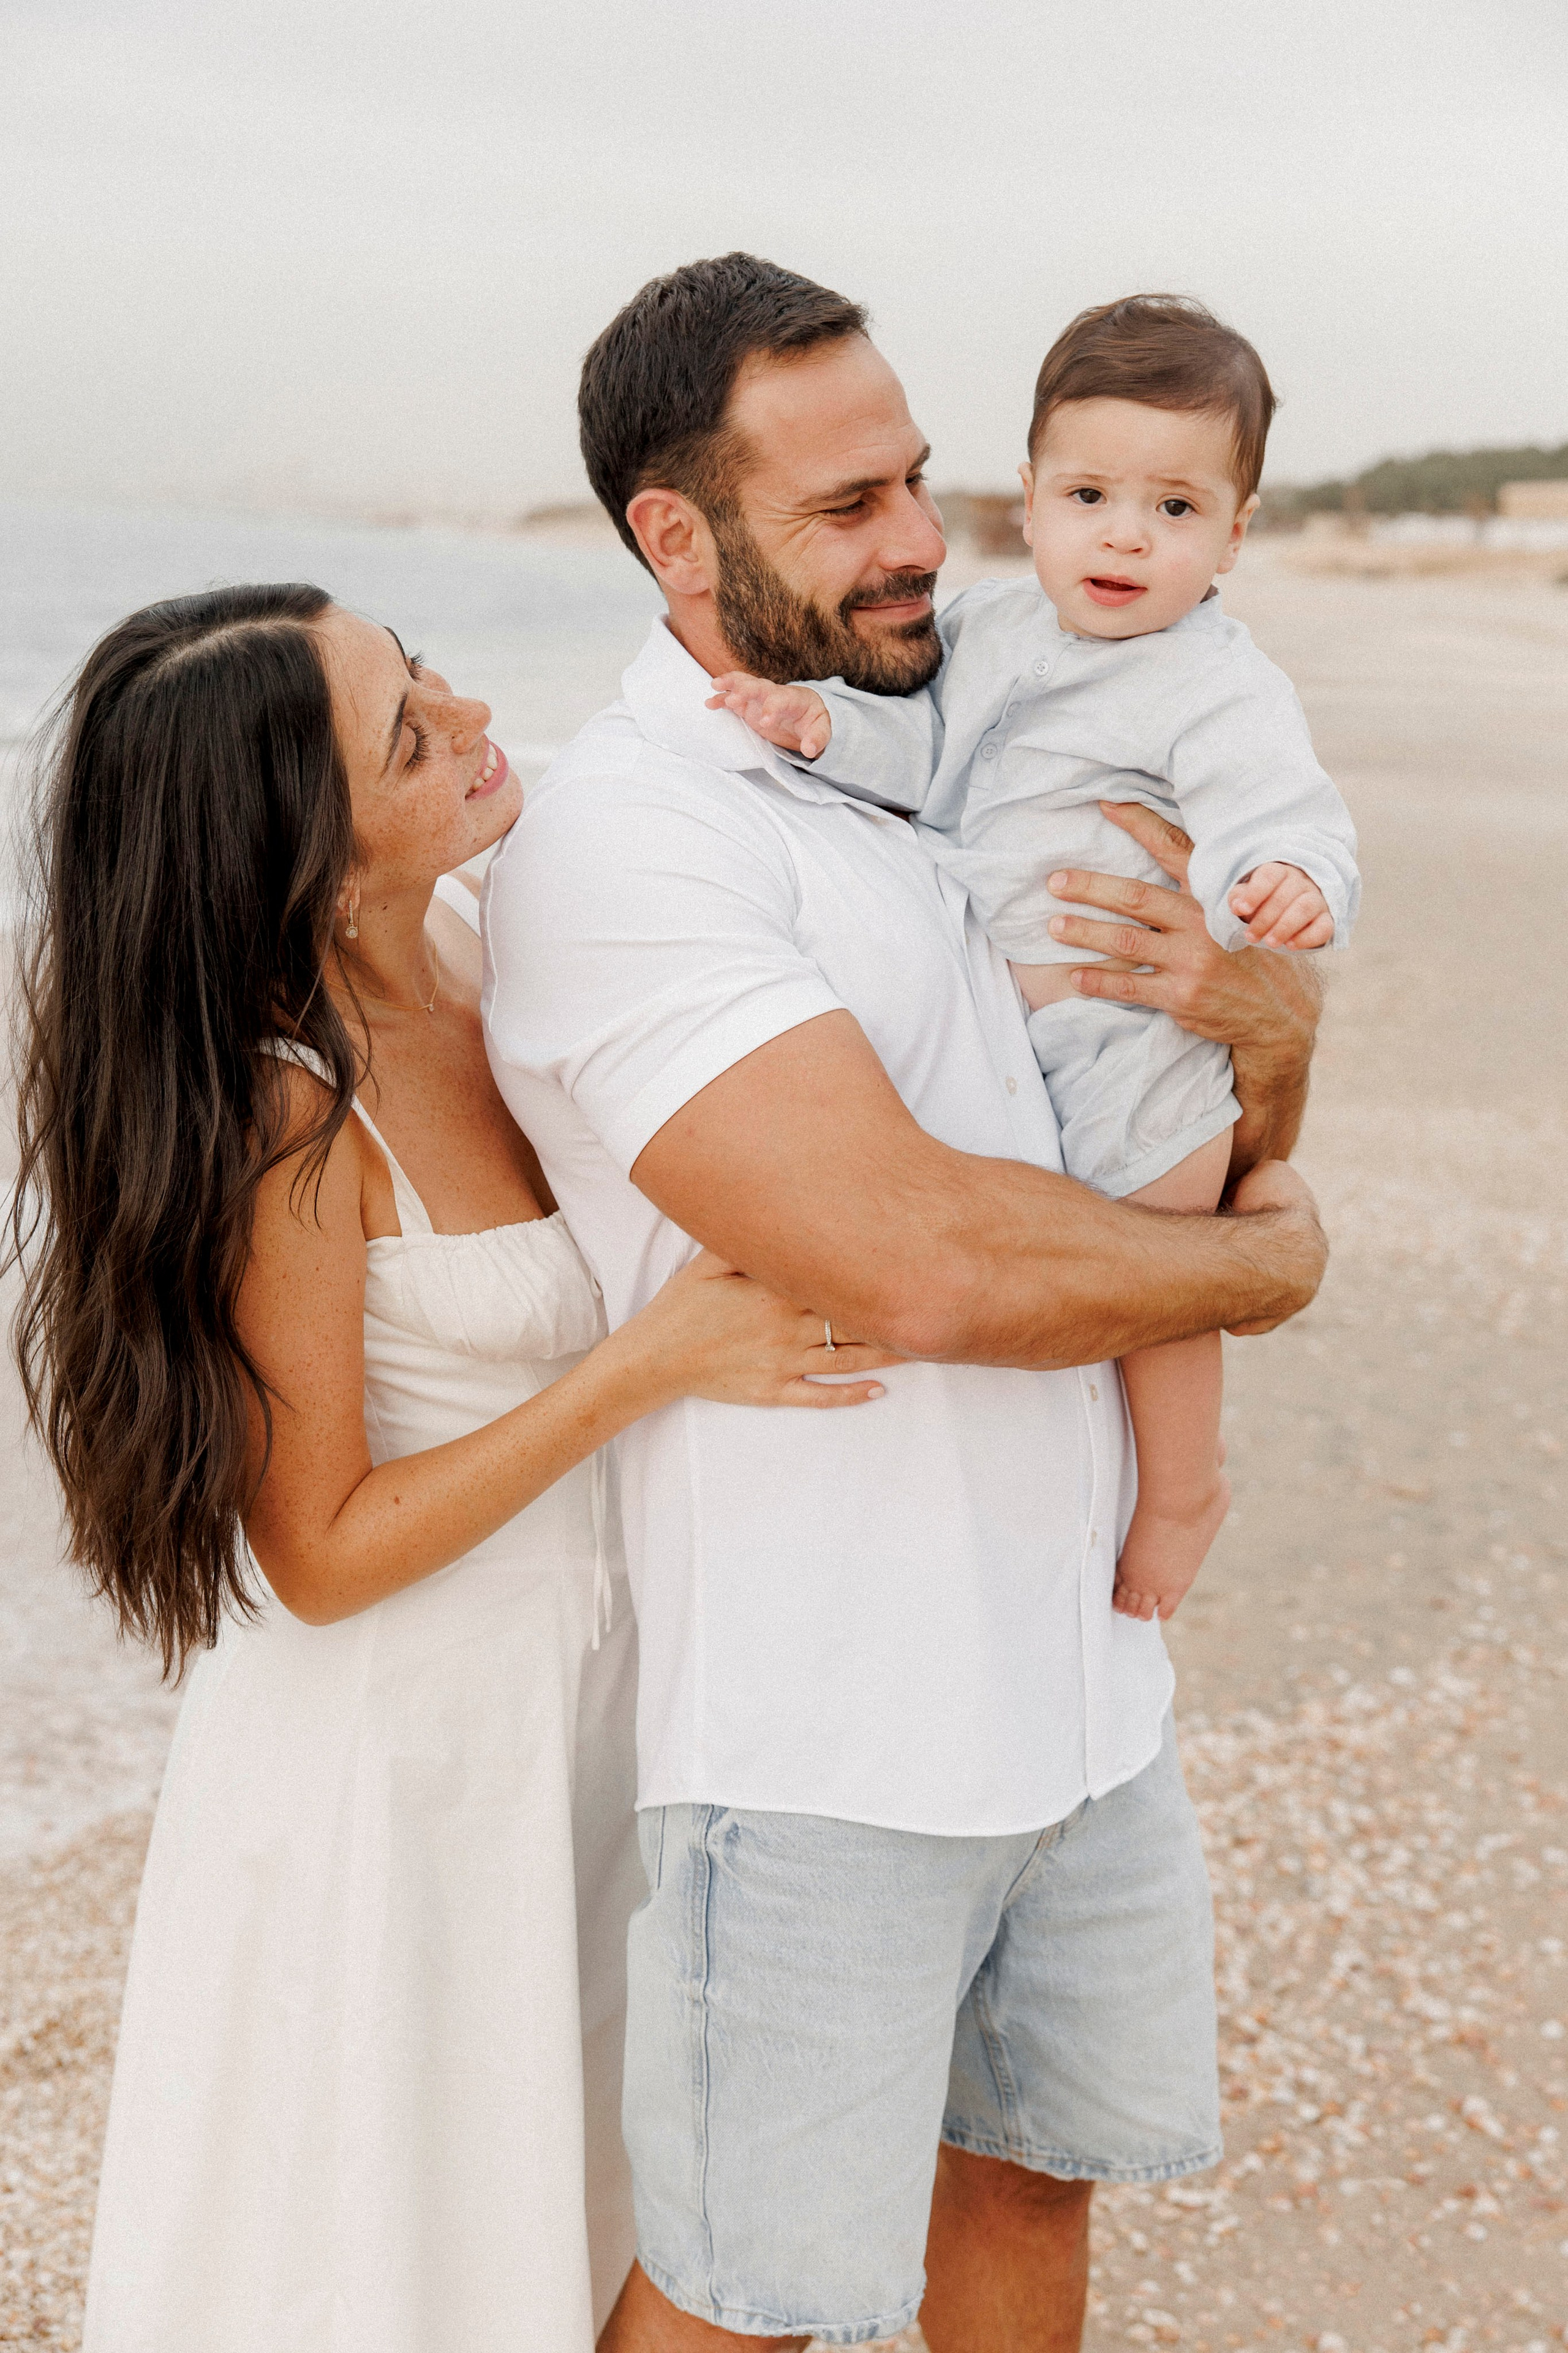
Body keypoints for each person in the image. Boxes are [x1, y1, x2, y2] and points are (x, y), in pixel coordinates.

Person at [481, 254, 1330, 2352]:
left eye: (921, 482)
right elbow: (929, 1259)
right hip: (826, 1731)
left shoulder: (907, 744)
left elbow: (1172, 1062)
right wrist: (1271, 1262)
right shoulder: (635, 839)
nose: (916, 543)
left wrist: (1275, 1027)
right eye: (845, 505)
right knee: (747, 2301)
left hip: (1075, 1697)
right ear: (674, 536)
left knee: (1033, 2205)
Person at [10, 583, 894, 2353]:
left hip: (594, 1709)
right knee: (398, 2251)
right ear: (317, 868)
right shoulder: (287, 1113)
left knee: (589, 2203)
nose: (478, 714)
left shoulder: (499, 924)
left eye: (420, 670)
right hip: (403, 1775)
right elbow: (320, 1549)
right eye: (410, 735)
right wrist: (647, 1366)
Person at [707, 292, 1360, 1630]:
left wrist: (1278, 881)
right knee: (1045, 1276)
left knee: (1159, 1280)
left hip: (1133, 1050)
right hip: (1021, 1043)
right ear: (1027, 497)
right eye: (1089, 494)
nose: (1124, 534)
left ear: (1235, 533)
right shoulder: (992, 632)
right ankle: (1027, 1531)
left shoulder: (1213, 682)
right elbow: (926, 757)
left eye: (1175, 511)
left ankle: (1182, 1489)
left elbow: (1273, 804)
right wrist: (818, 728)